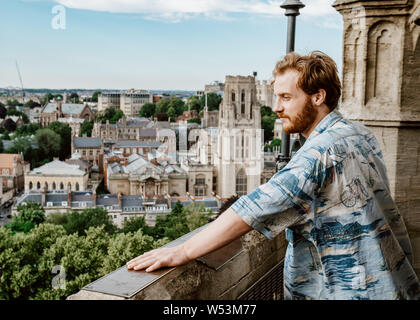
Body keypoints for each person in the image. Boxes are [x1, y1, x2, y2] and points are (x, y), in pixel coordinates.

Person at [127, 51, 420, 300]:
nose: (277, 107)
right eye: (275, 96)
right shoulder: (359, 133)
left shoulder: (319, 153)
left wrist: (183, 251)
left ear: (318, 96)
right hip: (395, 283)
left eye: (286, 97)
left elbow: (252, 209)